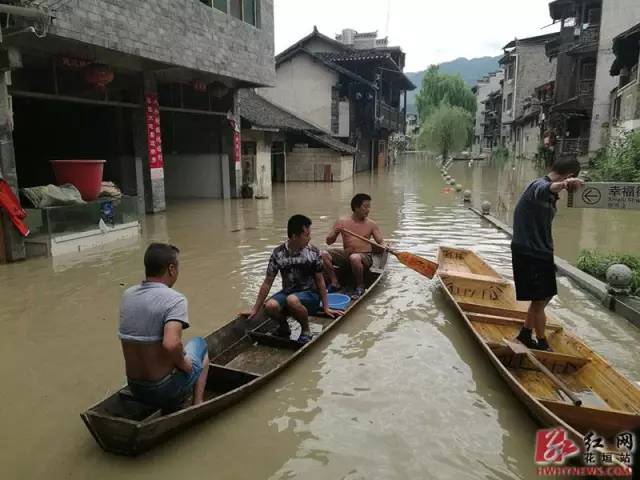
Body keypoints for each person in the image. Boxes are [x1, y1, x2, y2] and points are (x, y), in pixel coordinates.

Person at [119, 243, 209, 410]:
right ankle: (198, 403)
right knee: (200, 343)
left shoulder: (127, 295)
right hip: (162, 389)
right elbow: (171, 344)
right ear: (171, 269)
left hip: (134, 386)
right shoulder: (175, 299)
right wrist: (185, 365)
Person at [511, 157, 584, 351]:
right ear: (569, 175)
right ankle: (541, 342)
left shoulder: (546, 188)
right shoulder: (540, 186)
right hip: (531, 252)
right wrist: (562, 185)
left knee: (543, 296)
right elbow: (544, 190)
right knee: (541, 297)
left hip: (538, 251)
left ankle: (526, 333)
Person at [246, 215, 340, 344]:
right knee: (270, 306)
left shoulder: (313, 252)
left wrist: (326, 307)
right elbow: (267, 282)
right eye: (306, 235)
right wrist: (255, 309)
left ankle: (306, 330)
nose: (310, 238)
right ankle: (284, 328)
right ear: (295, 236)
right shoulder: (278, 254)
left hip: (310, 295)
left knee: (292, 300)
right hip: (288, 293)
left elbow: (320, 281)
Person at [322, 193, 385, 299]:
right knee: (323, 254)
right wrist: (335, 231)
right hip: (347, 254)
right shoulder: (342, 222)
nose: (368, 210)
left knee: (354, 258)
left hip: (365, 256)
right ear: (356, 207)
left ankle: (360, 285)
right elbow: (329, 241)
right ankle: (334, 282)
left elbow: (380, 241)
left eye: (369, 207)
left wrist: (384, 246)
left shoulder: (371, 224)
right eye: (365, 207)